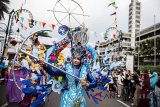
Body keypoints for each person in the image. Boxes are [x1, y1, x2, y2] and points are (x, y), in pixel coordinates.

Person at [43, 43, 97, 107]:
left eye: (78, 59)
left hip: (80, 101)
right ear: (72, 58)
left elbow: (94, 83)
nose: (76, 60)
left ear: (82, 59)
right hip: (67, 100)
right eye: (74, 58)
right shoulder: (67, 69)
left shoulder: (85, 70)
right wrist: (45, 65)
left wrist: (87, 84)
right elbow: (53, 72)